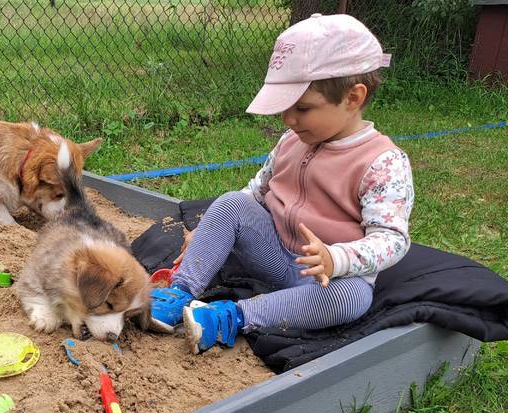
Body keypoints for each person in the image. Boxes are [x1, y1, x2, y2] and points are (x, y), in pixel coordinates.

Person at [150, 13, 414, 354]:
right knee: (232, 202)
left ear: (353, 98)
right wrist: (205, 235)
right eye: (286, 107)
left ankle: (233, 316)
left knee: (352, 298)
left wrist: (338, 258)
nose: (289, 119)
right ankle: (182, 290)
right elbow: (255, 193)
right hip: (275, 255)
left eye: (302, 108)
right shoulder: (292, 141)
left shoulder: (382, 162)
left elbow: (392, 240)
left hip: (325, 278)